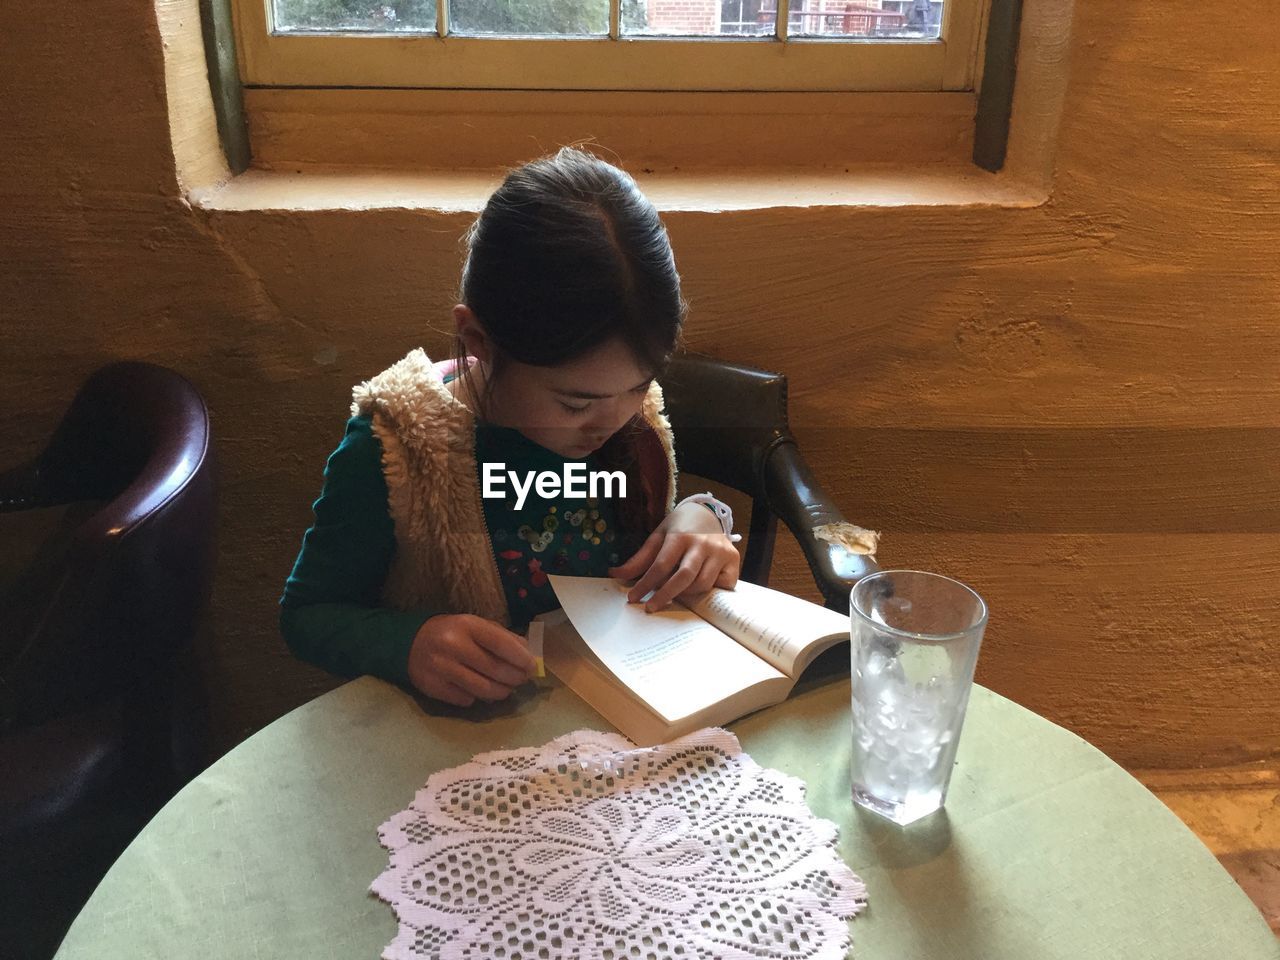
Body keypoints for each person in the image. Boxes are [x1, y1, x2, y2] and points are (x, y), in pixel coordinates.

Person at [281, 146, 742, 709]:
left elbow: (653, 535)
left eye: (641, 385)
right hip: (458, 742)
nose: (613, 420)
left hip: (619, 721)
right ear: (479, 342)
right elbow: (309, 614)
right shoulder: (395, 451)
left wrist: (700, 517)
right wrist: (408, 644)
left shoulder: (626, 416)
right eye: (576, 404)